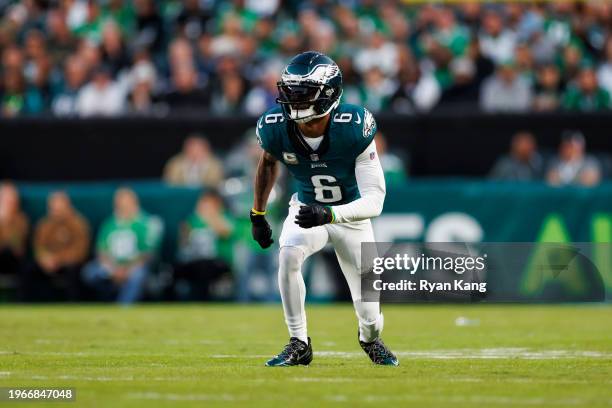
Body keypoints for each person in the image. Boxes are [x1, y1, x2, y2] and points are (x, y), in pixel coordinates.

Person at [251, 52, 398, 366]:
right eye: (289, 91)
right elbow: (267, 164)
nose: (291, 99)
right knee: (289, 253)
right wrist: (258, 214)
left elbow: (375, 200)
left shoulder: (353, 126)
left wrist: (331, 214)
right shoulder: (276, 127)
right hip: (307, 209)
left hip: (351, 216)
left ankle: (369, 339)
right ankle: (298, 342)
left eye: (301, 93)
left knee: (371, 316)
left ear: (327, 93)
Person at [82, 188, 154, 303]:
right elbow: (101, 251)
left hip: (133, 267)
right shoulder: (109, 224)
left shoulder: (143, 225)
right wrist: (114, 269)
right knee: (91, 272)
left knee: (138, 275)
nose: (124, 206)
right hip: (111, 267)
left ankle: (123, 307)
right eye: (121, 203)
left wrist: (127, 269)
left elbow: (146, 254)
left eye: (127, 202)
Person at [23, 191, 90, 301]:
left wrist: (58, 259)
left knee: (74, 271)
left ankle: (73, 304)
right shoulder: (44, 224)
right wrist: (44, 259)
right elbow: (38, 246)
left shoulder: (78, 223)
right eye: (54, 205)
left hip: (69, 264)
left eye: (60, 205)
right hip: (48, 263)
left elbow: (80, 250)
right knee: (29, 269)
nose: (57, 209)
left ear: (67, 205)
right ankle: (30, 304)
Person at [174, 191, 234, 300]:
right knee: (178, 268)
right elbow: (183, 242)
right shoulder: (193, 220)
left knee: (204, 267)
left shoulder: (225, 217)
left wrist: (210, 217)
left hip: (218, 261)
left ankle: (201, 299)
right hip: (195, 259)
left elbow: (226, 232)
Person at [0, 182, 29, 281]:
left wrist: (7, 221)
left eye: (12, 198)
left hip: (14, 259)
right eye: (7, 198)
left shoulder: (21, 220)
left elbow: (16, 244)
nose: (10, 201)